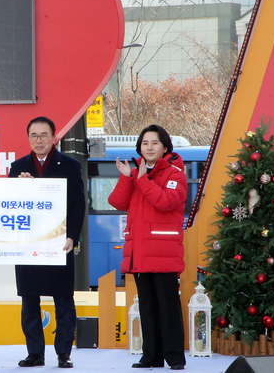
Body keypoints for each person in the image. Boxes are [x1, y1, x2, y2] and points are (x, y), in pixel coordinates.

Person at [8, 116, 85, 369]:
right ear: (28, 138)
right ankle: (35, 354)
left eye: (44, 135)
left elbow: (78, 205)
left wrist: (72, 236)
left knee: (63, 299)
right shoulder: (18, 167)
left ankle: (64, 353)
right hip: (28, 244)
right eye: (34, 136)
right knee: (29, 300)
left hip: (58, 243)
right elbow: (8, 204)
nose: (39, 141)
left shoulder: (70, 165)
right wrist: (19, 188)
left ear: (54, 137)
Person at [108, 125, 187, 370]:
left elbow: (167, 202)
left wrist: (142, 179)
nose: (149, 147)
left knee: (168, 307)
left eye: (154, 143)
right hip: (140, 252)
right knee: (147, 307)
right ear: (139, 148)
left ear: (165, 147)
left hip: (163, 252)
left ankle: (174, 357)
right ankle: (150, 356)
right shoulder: (135, 173)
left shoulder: (175, 173)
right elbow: (117, 202)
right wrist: (126, 177)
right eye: (145, 143)